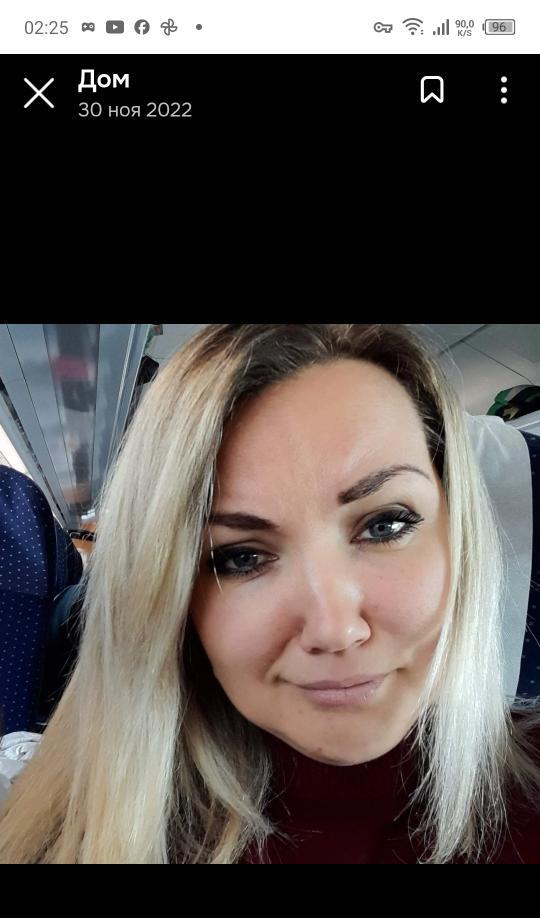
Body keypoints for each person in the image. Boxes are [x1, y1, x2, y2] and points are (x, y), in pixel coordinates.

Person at [0, 323, 539, 864]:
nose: (335, 629)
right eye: (242, 557)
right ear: (175, 603)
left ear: (458, 535)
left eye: (385, 526)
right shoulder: (64, 837)